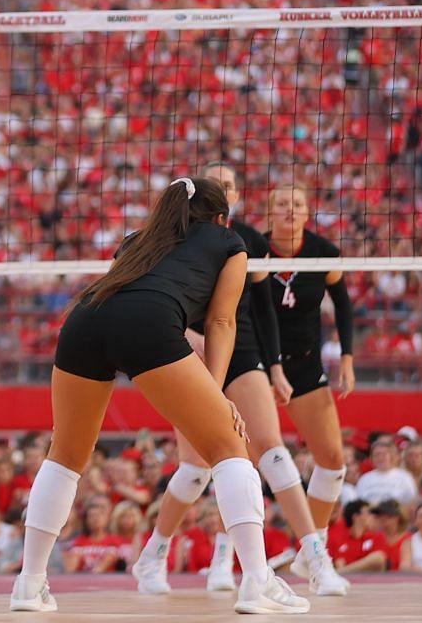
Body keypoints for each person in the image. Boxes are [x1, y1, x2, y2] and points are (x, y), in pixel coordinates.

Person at [11, 176, 307, 615]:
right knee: (229, 446)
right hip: (147, 322)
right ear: (222, 216)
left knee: (65, 455)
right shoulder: (231, 242)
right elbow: (222, 324)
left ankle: (29, 585)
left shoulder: (139, 239)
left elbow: (125, 291)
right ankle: (257, 583)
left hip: (84, 320)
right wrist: (216, 391)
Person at [131, 165, 347, 599]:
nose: (225, 191)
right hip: (187, 352)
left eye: (231, 185)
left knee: (273, 451)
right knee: (195, 470)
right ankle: (153, 553)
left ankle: (315, 555)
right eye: (218, 185)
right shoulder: (169, 238)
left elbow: (265, 309)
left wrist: (278, 368)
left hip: (241, 349)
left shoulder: (247, 239)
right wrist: (189, 339)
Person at [261, 185, 356, 534]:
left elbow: (343, 304)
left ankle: (312, 548)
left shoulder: (322, 251)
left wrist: (346, 357)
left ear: (306, 212)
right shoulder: (254, 251)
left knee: (333, 462)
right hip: (258, 367)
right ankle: (225, 559)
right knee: (241, 462)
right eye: (282, 203)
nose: (290, 209)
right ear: (271, 212)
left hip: (304, 364)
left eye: (297, 204)